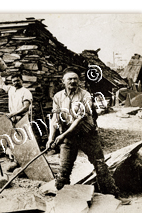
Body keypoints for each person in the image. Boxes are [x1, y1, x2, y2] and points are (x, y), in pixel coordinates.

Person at [46, 67, 130, 204]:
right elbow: (55, 118)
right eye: (69, 79)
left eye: (75, 79)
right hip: (69, 137)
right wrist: (51, 138)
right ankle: (62, 199)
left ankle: (113, 196)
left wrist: (61, 136)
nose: (73, 81)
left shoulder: (85, 95)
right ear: (63, 81)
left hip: (87, 135)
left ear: (79, 81)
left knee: (100, 166)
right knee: (63, 170)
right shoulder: (58, 97)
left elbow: (79, 120)